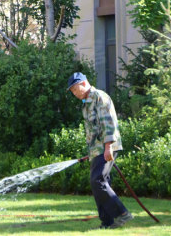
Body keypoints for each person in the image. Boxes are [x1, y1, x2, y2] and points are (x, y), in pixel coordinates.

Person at [68, 72, 133, 229]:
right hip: (98, 149)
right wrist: (93, 150)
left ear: (83, 84)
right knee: (100, 182)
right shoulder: (86, 103)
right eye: (72, 92)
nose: (74, 94)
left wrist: (108, 147)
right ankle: (107, 222)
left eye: (75, 90)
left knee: (98, 181)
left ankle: (122, 213)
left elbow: (107, 123)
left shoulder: (99, 97)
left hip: (107, 146)